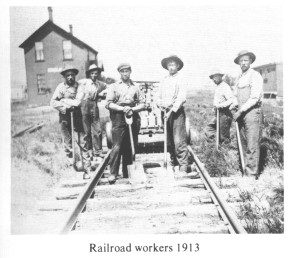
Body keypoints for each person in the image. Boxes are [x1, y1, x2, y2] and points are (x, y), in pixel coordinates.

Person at [105, 63, 146, 184]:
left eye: (127, 71)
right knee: (117, 146)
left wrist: (132, 109)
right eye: (122, 71)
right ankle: (113, 172)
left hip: (133, 114)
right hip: (118, 116)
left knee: (131, 145)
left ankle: (127, 171)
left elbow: (143, 103)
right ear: (120, 73)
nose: (125, 73)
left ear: (130, 72)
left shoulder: (136, 87)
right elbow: (108, 103)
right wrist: (122, 109)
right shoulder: (114, 86)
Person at [232, 50, 263, 178]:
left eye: (246, 60)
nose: (243, 63)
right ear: (239, 63)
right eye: (241, 61)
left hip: (252, 112)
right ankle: (244, 170)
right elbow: (235, 95)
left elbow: (255, 98)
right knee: (243, 141)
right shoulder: (239, 77)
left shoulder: (255, 75)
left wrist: (241, 110)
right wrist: (234, 105)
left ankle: (251, 174)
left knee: (252, 143)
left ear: (250, 61)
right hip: (241, 112)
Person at [157, 55, 189, 175]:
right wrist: (159, 105)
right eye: (169, 65)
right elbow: (158, 96)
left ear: (178, 66)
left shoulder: (181, 79)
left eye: (173, 65)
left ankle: (183, 166)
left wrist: (170, 111)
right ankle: (173, 161)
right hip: (164, 112)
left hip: (176, 113)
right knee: (169, 140)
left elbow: (181, 98)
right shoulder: (164, 80)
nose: (171, 67)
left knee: (178, 140)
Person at [50, 65, 83, 158]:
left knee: (79, 136)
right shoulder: (60, 87)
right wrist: (63, 107)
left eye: (72, 75)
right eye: (68, 75)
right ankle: (69, 157)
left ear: (75, 76)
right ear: (64, 76)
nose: (70, 77)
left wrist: (63, 100)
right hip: (64, 115)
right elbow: (53, 102)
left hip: (77, 115)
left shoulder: (79, 86)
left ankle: (81, 157)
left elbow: (78, 102)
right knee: (67, 136)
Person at [78, 64, 107, 165]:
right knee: (86, 131)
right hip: (84, 105)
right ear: (89, 74)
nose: (94, 75)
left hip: (94, 105)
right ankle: (88, 151)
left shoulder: (100, 84)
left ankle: (97, 151)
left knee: (97, 129)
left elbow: (108, 88)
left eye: (96, 73)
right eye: (92, 73)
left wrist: (102, 94)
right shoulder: (83, 82)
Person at [205, 69, 236, 144]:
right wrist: (215, 107)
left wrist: (220, 106)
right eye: (213, 78)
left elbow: (231, 100)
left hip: (224, 114)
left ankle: (225, 152)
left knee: (224, 137)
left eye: (215, 77)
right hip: (218, 113)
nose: (214, 79)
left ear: (220, 77)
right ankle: (215, 146)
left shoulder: (225, 86)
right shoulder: (218, 87)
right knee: (209, 129)